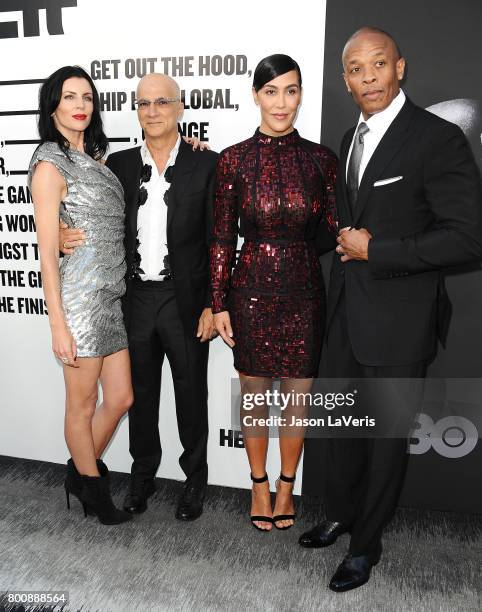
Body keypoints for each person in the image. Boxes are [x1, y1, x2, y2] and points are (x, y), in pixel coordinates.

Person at [299, 27, 482, 591]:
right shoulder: (347, 137)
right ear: (346, 79)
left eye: (379, 64)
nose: (368, 76)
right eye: (356, 68)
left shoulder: (436, 137)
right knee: (343, 428)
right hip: (345, 315)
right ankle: (342, 513)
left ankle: (365, 546)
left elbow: (469, 237)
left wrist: (377, 249)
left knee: (383, 441)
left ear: (400, 68)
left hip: (400, 321)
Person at [61, 73, 218, 521]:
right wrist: (57, 233)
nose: (152, 111)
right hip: (134, 300)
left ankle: (193, 483)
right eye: (143, 104)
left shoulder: (207, 163)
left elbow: (218, 241)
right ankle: (142, 478)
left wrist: (213, 302)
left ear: (180, 107)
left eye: (162, 102)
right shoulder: (119, 166)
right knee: (140, 396)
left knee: (192, 397)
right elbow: (86, 213)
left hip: (185, 300)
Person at [211, 54, 337, 531]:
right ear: (256, 96)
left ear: (301, 94)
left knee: (298, 396)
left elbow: (332, 228)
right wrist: (219, 301)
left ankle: (288, 484)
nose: (281, 102)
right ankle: (258, 484)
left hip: (305, 290)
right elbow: (222, 237)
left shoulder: (322, 160)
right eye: (271, 91)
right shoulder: (233, 160)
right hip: (250, 292)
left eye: (290, 90)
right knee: (255, 395)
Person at [29, 66, 133, 525]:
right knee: (82, 404)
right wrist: (58, 322)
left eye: (87, 97)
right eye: (70, 96)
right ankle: (95, 490)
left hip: (110, 296)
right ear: (53, 105)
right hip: (79, 300)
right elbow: (45, 251)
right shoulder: (50, 162)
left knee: (122, 397)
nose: (80, 105)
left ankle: (79, 472)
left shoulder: (92, 157)